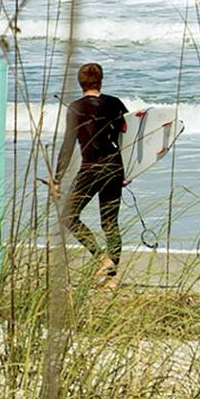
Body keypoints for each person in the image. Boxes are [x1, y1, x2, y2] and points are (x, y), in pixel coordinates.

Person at [50, 62, 128, 288]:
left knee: (69, 217)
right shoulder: (115, 104)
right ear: (100, 80)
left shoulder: (75, 107)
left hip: (91, 168)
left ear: (80, 82)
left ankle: (102, 259)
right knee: (110, 222)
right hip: (114, 166)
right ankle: (111, 276)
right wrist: (128, 169)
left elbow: (67, 146)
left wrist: (57, 179)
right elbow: (129, 137)